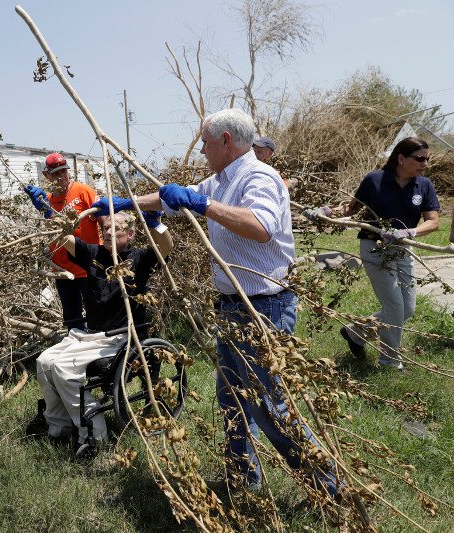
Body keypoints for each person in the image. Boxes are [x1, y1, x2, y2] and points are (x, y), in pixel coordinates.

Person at [93, 108, 340, 495]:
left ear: (226, 141)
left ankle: (331, 490)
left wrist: (202, 205)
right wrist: (124, 203)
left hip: (263, 307)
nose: (201, 150)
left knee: (269, 406)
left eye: (205, 142)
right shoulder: (221, 179)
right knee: (232, 398)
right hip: (232, 307)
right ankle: (242, 480)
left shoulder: (259, 177)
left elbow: (260, 227)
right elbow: (169, 200)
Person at [29, 211, 173, 456]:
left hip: (119, 337)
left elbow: (166, 246)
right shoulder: (93, 254)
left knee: (63, 368)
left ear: (130, 234)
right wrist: (50, 213)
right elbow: (65, 237)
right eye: (106, 228)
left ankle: (94, 431)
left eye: (116, 228)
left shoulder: (139, 259)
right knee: (43, 362)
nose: (108, 232)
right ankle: (59, 424)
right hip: (89, 335)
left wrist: (156, 224)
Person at [330, 137, 439, 370]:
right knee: (395, 307)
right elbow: (350, 208)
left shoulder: (424, 185)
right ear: (401, 158)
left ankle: (356, 333)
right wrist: (326, 211)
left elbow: (433, 222)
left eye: (427, 159)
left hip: (401, 248)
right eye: (419, 158)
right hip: (374, 248)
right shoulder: (374, 180)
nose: (425, 163)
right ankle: (390, 361)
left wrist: (410, 232)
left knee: (407, 308)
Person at [23, 152, 101, 330]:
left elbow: (104, 221)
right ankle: (77, 350)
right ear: (46, 176)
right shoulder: (48, 201)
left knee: (97, 314)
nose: (61, 177)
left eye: (63, 172)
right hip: (63, 271)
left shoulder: (84, 191)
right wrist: (45, 210)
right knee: (72, 320)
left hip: (87, 267)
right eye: (55, 174)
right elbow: (54, 232)